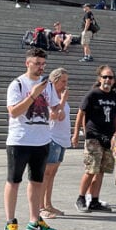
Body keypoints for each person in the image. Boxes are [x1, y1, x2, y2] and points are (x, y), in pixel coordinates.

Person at [3, 47, 62, 230]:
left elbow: (53, 108)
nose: (40, 68)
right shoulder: (17, 84)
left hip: (42, 140)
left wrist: (59, 108)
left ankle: (35, 220)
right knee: (14, 181)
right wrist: (33, 94)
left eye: (43, 64)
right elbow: (13, 112)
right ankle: (10, 223)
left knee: (37, 181)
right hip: (20, 141)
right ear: (27, 63)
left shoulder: (49, 85)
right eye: (37, 63)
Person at [73, 65, 116, 213]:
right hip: (94, 136)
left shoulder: (115, 97)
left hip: (108, 137)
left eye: (110, 77)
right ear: (99, 78)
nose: (107, 79)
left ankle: (94, 200)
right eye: (105, 77)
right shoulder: (93, 94)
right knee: (91, 169)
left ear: (114, 80)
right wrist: (77, 133)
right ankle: (81, 198)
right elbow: (81, 113)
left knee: (101, 170)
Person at [38, 67, 70, 219]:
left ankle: (48, 203)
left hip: (61, 139)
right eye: (63, 81)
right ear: (55, 81)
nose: (65, 84)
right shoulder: (50, 96)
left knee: (52, 174)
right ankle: (40, 207)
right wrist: (63, 101)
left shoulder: (59, 96)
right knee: (46, 173)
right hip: (53, 138)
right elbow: (55, 116)